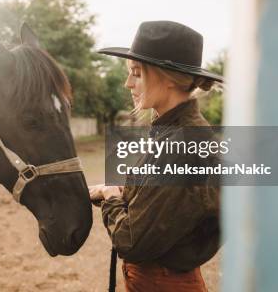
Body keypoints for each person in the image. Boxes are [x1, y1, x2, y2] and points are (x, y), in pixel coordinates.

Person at [91, 20, 223, 292]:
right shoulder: (176, 133)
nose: (128, 83)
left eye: (137, 73)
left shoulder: (181, 144)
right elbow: (159, 205)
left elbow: (131, 242)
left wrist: (111, 199)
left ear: (168, 79)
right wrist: (115, 191)